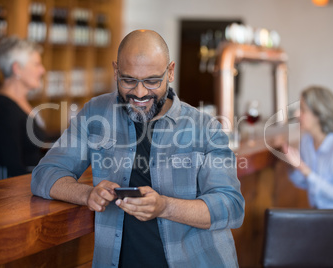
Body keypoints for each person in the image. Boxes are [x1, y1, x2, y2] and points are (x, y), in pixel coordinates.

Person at [31, 29, 245, 267]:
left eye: (152, 81)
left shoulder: (205, 128)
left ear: (170, 72)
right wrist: (87, 195)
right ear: (116, 71)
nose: (140, 93)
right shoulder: (95, 113)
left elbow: (231, 207)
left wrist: (165, 206)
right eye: (129, 80)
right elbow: (44, 174)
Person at [282, 85, 333, 243]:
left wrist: (306, 171)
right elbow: (304, 183)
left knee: (309, 243)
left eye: (303, 109)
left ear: (319, 115)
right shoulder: (306, 140)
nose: (297, 114)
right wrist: (293, 165)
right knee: (290, 238)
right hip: (324, 215)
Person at [0, 36, 48, 181]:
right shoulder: (5, 109)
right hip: (7, 190)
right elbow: (14, 166)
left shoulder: (20, 102)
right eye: (37, 64)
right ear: (17, 68)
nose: (43, 70)